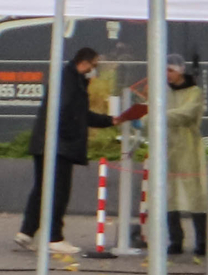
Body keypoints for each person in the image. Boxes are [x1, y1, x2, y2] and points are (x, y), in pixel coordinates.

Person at [20, 46, 135, 255]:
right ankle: (54, 237)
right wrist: (70, 136)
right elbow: (66, 112)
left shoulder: (70, 79)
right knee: (58, 191)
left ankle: (27, 231)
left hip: (47, 143)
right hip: (58, 145)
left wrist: (111, 120)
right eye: (94, 65)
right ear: (85, 62)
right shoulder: (70, 81)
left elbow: (81, 114)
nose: (95, 70)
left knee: (42, 189)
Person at [161, 54, 208, 257]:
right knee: (168, 197)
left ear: (180, 70)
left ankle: (203, 242)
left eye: (170, 70)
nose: (167, 75)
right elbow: (148, 113)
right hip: (166, 148)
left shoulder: (195, 92)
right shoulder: (162, 91)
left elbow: (187, 113)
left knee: (196, 197)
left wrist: (156, 115)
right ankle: (175, 240)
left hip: (188, 149)